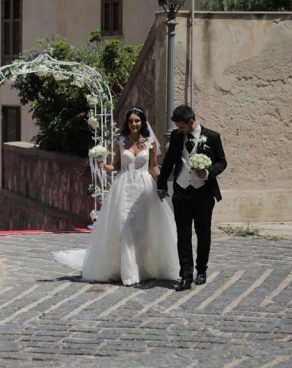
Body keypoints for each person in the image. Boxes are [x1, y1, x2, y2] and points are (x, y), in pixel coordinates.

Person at [54, 106, 179, 286]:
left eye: (137, 121)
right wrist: (106, 167)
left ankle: (144, 267)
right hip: (124, 187)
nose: (134, 124)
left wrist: (161, 184)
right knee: (124, 225)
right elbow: (118, 165)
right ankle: (128, 270)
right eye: (131, 121)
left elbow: (153, 166)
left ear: (142, 122)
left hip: (144, 187)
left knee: (144, 227)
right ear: (127, 123)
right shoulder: (120, 141)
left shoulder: (151, 142)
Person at [157, 105, 227, 292]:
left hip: (204, 193)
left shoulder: (212, 137)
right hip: (182, 192)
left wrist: (209, 172)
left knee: (203, 234)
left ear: (191, 122)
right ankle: (186, 276)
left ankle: (201, 270)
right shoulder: (176, 136)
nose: (179, 130)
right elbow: (169, 161)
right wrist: (161, 185)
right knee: (183, 235)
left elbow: (222, 162)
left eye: (181, 127)